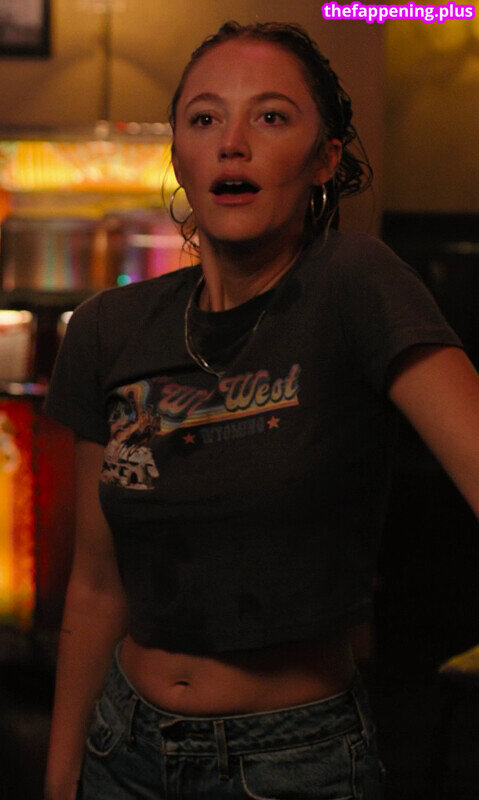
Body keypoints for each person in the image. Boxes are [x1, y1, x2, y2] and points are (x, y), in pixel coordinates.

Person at [44, 20, 479, 800]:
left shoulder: (355, 283)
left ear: (325, 158)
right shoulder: (108, 326)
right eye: (204, 118)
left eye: (270, 116)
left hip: (295, 760)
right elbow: (98, 586)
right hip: (122, 746)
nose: (232, 143)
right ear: (178, 155)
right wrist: (62, 772)